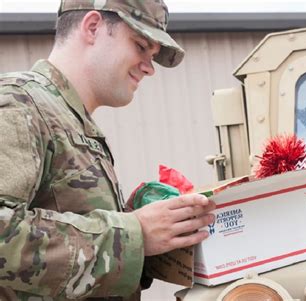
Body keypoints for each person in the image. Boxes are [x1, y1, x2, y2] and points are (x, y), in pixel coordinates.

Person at [0, 0, 215, 300]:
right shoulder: (20, 103)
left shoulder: (70, 120)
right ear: (92, 27)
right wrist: (134, 233)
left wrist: (158, 236)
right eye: (141, 45)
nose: (149, 68)